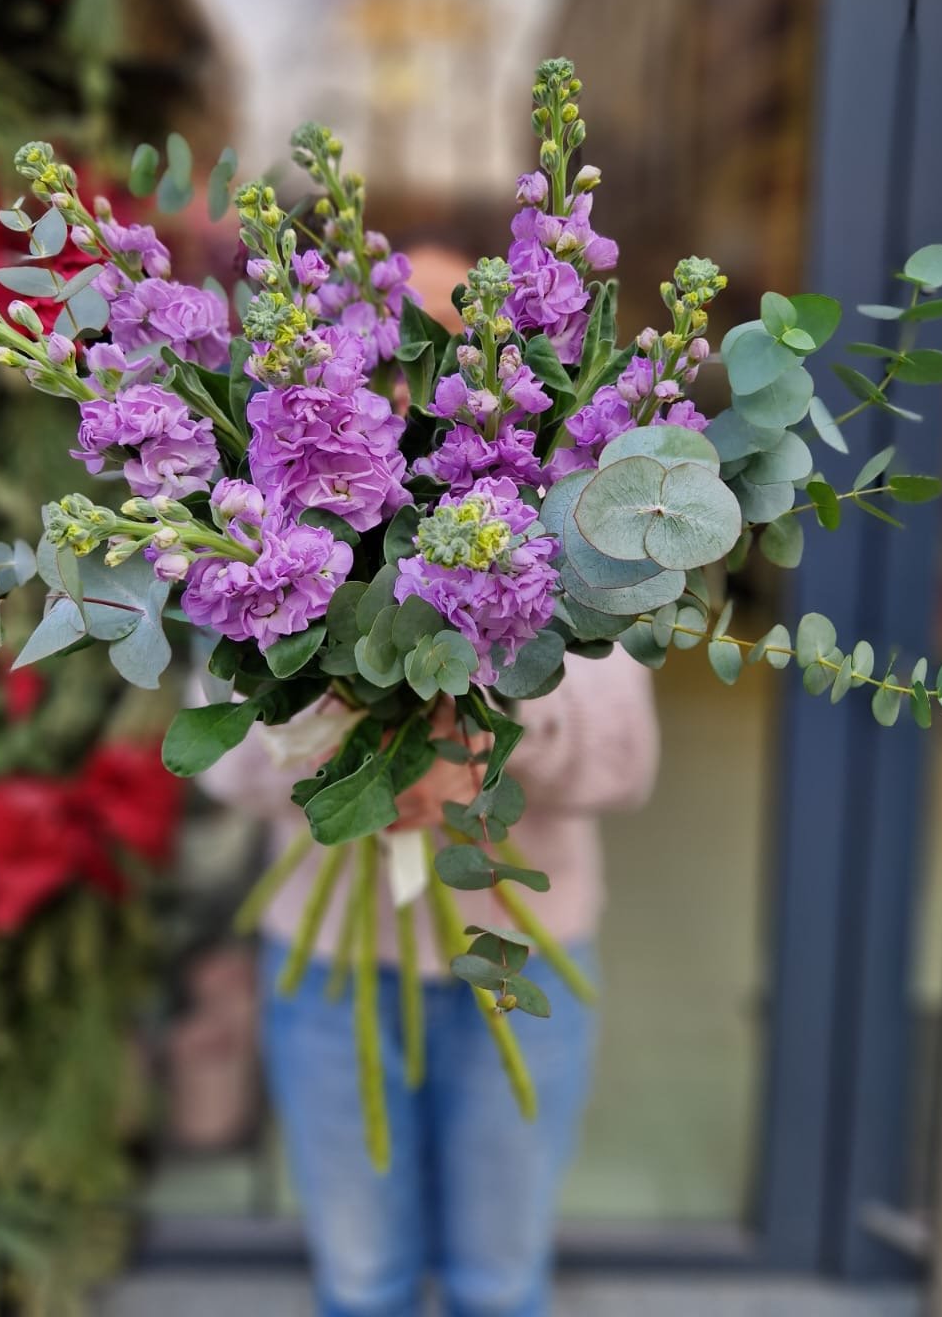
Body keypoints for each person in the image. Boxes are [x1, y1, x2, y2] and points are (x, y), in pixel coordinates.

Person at [197, 245, 662, 1317]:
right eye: (398, 374)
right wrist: (358, 726)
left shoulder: (577, 531)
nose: (419, 403)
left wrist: (476, 717)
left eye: (460, 363)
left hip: (507, 956)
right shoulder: (276, 515)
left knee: (502, 1282)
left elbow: (626, 757)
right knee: (361, 1281)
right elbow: (225, 763)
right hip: (328, 959)